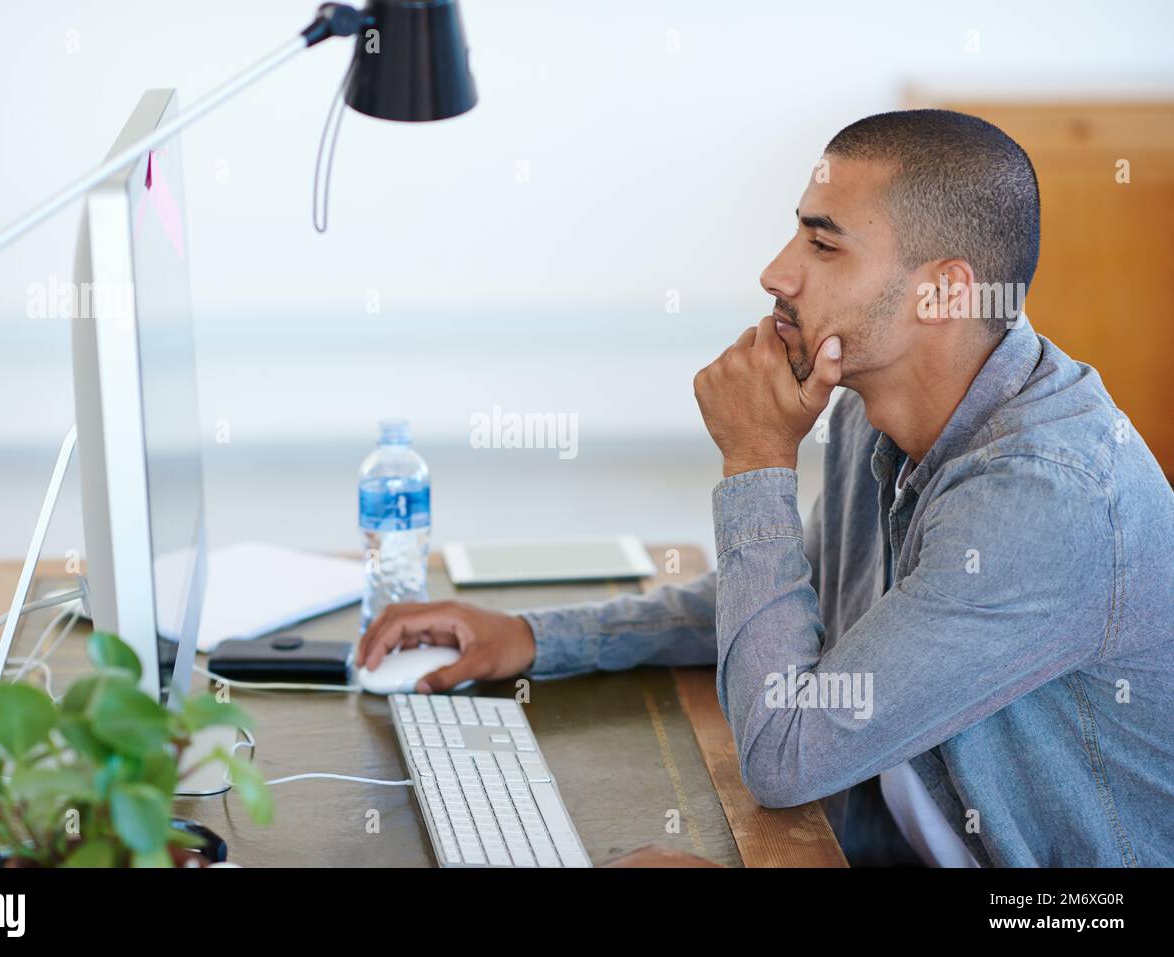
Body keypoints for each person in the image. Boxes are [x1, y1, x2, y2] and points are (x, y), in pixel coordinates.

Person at [356, 110, 1174, 867]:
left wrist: (756, 462)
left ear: (946, 290)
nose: (776, 272)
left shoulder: (1046, 499)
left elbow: (786, 755)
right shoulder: (875, 407)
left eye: (824, 246)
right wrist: (537, 637)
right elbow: (795, 596)